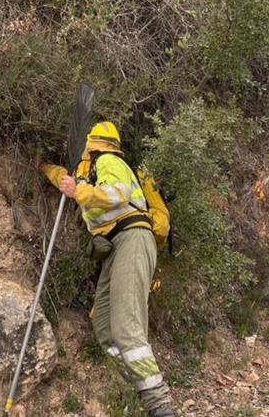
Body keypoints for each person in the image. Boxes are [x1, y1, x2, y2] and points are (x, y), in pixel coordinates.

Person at [41, 121, 176, 417]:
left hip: (132, 239)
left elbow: (117, 195)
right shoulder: (87, 171)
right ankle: (138, 388)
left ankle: (160, 406)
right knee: (105, 328)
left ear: (93, 143)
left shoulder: (110, 161)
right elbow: (65, 179)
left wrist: (79, 191)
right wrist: (44, 167)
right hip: (115, 247)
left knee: (127, 328)